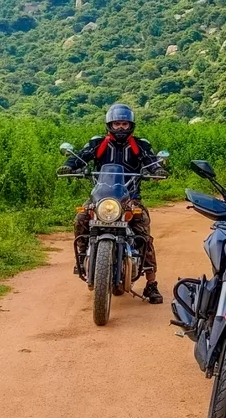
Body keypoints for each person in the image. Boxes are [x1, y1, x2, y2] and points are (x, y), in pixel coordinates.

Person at [62, 103, 165, 304]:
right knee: (81, 218)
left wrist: (156, 170)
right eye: (117, 124)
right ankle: (82, 258)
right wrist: (68, 165)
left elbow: (151, 160)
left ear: (131, 125)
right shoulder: (97, 143)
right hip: (101, 197)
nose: (120, 128)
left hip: (129, 198)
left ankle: (151, 283)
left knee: (143, 231)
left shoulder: (140, 145)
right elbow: (81, 158)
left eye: (124, 124)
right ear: (109, 125)